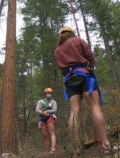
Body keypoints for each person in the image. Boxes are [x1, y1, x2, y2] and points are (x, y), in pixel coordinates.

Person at [54, 26, 111, 155]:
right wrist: (91, 65)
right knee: (95, 107)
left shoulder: (57, 50)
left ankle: (76, 149)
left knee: (74, 112)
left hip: (70, 80)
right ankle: (106, 144)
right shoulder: (78, 41)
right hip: (85, 75)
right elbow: (90, 57)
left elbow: (61, 69)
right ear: (71, 33)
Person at [36, 87, 57, 153]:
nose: (49, 94)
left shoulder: (53, 101)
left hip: (50, 116)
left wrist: (48, 111)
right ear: (45, 94)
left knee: (52, 133)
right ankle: (47, 150)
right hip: (42, 118)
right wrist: (42, 112)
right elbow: (37, 109)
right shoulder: (40, 101)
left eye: (50, 93)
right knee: (44, 135)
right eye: (48, 93)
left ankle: (53, 149)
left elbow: (55, 109)